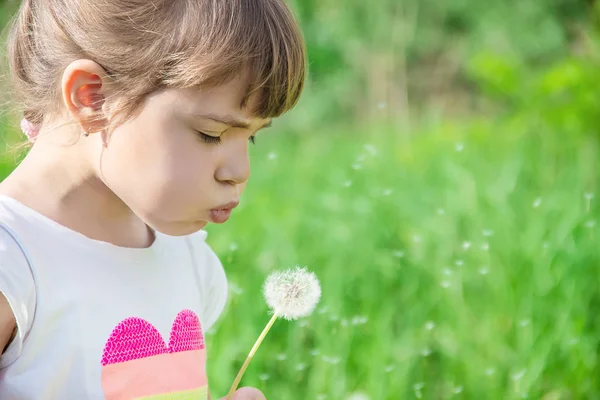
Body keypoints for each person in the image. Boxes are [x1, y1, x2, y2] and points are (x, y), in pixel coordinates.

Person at [0, 0, 306, 398]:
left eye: (250, 136)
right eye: (211, 134)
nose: (240, 171)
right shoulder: (14, 260)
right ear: (92, 98)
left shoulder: (186, 257)